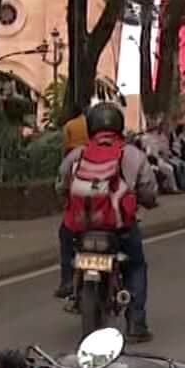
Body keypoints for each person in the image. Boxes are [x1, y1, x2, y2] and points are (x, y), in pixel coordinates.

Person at [58, 102, 161, 342]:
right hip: (119, 227)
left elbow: (61, 184)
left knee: (64, 234)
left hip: (81, 228)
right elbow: (149, 190)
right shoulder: (133, 155)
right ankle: (136, 322)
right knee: (135, 265)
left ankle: (67, 283)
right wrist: (147, 202)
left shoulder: (78, 154)